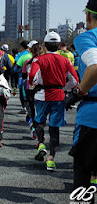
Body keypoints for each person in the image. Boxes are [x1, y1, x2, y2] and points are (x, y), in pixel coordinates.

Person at [28, 31, 78, 171]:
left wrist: (34, 83)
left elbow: (32, 75)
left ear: (44, 45)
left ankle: (41, 144)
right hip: (58, 96)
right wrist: (63, 87)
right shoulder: (65, 60)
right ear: (59, 45)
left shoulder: (39, 60)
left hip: (42, 95)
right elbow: (75, 81)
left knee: (39, 121)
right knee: (54, 128)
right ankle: (51, 159)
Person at [66, 0, 97, 195]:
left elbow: (94, 68)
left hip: (92, 117)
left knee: (82, 173)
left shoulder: (87, 37)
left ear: (88, 15)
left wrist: (78, 92)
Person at [21, 42, 44, 138]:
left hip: (29, 87)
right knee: (40, 109)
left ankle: (33, 126)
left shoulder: (28, 62)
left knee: (31, 108)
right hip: (41, 88)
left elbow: (23, 75)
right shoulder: (44, 61)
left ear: (31, 51)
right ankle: (39, 129)